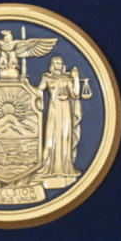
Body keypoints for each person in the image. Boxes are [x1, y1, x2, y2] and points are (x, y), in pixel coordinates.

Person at [36, 56, 83, 187]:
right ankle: (50, 167)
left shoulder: (67, 78)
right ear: (52, 64)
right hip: (54, 108)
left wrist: (75, 78)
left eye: (60, 63)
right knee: (52, 136)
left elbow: (75, 94)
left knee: (65, 135)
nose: (58, 65)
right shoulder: (47, 77)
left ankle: (65, 167)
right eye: (55, 63)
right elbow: (38, 90)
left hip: (65, 108)